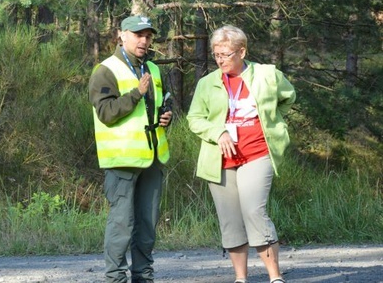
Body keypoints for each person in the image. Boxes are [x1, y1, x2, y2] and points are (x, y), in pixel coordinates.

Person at [186, 25, 296, 283]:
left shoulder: (268, 75)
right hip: (220, 160)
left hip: (257, 153)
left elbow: (288, 97)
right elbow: (194, 119)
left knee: (253, 210)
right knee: (231, 220)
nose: (220, 59)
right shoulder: (207, 83)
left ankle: (275, 277)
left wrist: (272, 120)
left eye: (225, 54)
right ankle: (240, 278)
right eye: (216, 54)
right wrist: (218, 132)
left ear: (242, 51)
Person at [89, 15, 173, 283]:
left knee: (147, 226)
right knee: (121, 225)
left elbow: (165, 103)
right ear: (121, 35)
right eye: (138, 34)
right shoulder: (106, 70)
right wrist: (136, 93)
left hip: (152, 159)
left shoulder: (154, 69)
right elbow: (106, 112)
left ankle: (143, 277)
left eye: (148, 36)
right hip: (122, 161)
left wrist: (167, 115)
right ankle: (115, 279)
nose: (144, 40)